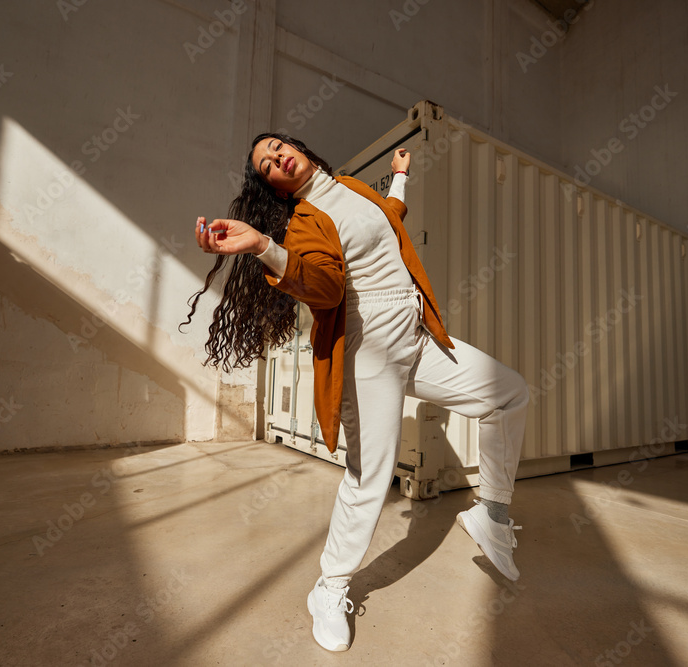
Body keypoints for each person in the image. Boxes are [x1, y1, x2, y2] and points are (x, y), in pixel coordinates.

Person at [184, 133, 529, 652]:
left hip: (413, 329)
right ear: (273, 187)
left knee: (508, 393)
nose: (277, 156)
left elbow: (387, 216)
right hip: (367, 343)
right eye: (266, 163)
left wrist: (402, 175)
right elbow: (323, 288)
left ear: (297, 147)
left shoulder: (348, 188)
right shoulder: (302, 221)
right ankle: (330, 586)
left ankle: (492, 514)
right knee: (370, 474)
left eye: (277, 145)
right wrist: (261, 246)